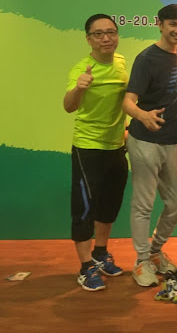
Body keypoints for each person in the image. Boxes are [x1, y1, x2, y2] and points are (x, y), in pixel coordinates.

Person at [122, 4, 177, 287]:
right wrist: (143, 116)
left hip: (174, 141)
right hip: (145, 140)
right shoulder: (146, 59)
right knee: (144, 204)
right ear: (160, 24)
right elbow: (128, 102)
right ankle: (141, 261)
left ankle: (154, 251)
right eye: (173, 24)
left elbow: (169, 87)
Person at [64, 14, 128, 291]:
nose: (106, 38)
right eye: (99, 34)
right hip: (88, 147)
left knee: (109, 205)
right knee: (84, 209)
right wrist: (79, 89)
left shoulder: (121, 62)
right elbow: (69, 106)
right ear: (89, 39)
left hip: (116, 147)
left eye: (111, 32)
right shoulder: (82, 69)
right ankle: (85, 266)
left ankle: (100, 253)